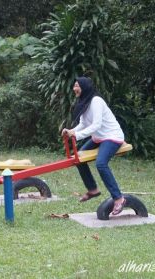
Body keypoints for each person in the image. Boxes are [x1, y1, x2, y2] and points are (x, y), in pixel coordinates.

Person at [62, 77, 126, 215]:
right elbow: (84, 124)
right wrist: (72, 131)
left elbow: (96, 124)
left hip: (111, 136)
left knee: (101, 163)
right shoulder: (84, 102)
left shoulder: (96, 101)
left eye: (77, 86)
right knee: (78, 158)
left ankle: (119, 198)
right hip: (98, 138)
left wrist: (76, 136)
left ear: (84, 87)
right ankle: (93, 189)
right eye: (74, 86)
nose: (74, 89)